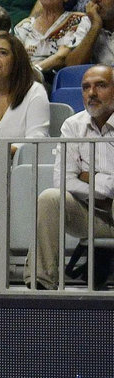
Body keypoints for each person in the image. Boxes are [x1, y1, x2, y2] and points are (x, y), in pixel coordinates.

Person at [34, 65, 114, 288]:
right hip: (92, 212)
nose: (92, 93)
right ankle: (42, 284)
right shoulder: (72, 125)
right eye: (86, 87)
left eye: (100, 85)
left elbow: (77, 180)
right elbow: (63, 180)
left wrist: (90, 176)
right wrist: (105, 186)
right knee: (50, 197)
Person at [14, 0, 89, 75]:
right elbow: (14, 62)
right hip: (25, 82)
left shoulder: (78, 21)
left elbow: (62, 57)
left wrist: (34, 71)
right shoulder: (24, 27)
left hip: (58, 81)